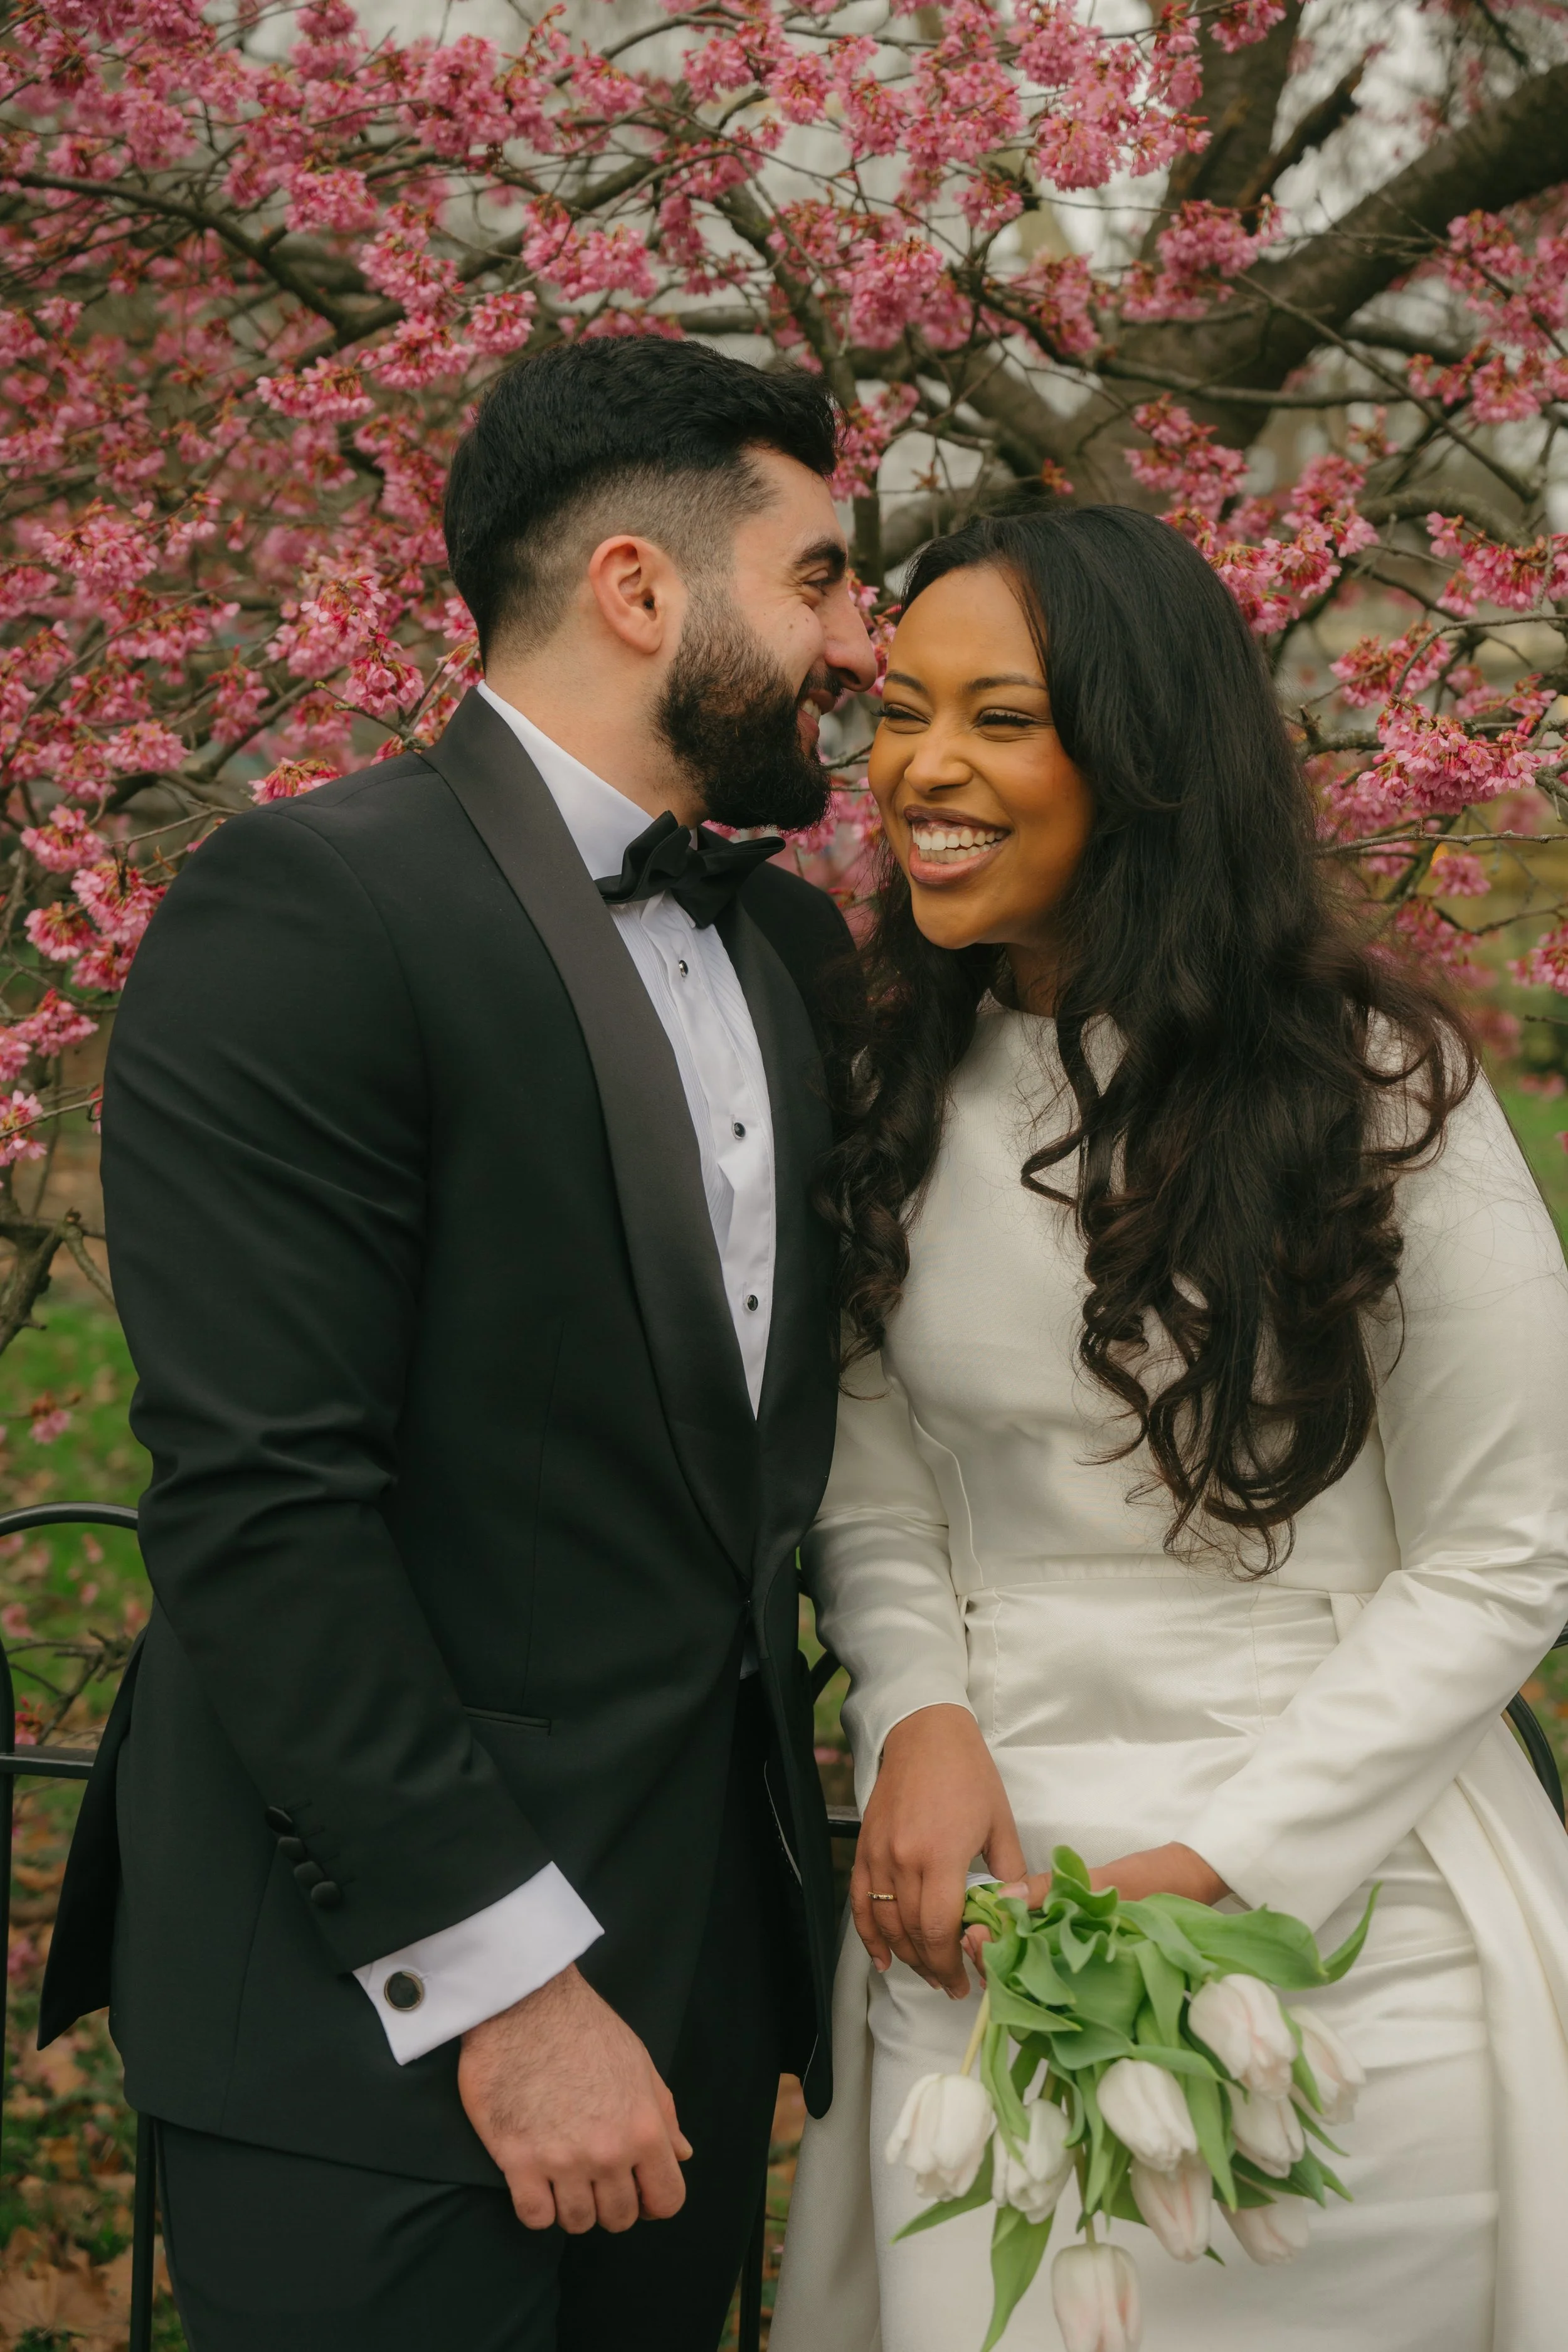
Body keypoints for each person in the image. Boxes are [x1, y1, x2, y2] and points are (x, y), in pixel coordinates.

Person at [40, 336, 877, 2351]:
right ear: (640, 590)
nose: (863, 637)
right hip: (380, 2027)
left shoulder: (789, 948)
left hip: (689, 1991)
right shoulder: (310, 905)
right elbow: (262, 1502)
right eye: (827, 576)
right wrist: (505, 1992)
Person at [770, 506, 1568, 2352]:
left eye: (1000, 717)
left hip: (1347, 1925)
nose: (924, 769)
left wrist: (1229, 1863)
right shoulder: (888, 1079)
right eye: (898, 709)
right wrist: (915, 1715)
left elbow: (1508, 1538)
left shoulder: (1369, 1089)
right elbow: (879, 1496)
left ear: (1138, 762)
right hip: (979, 1919)